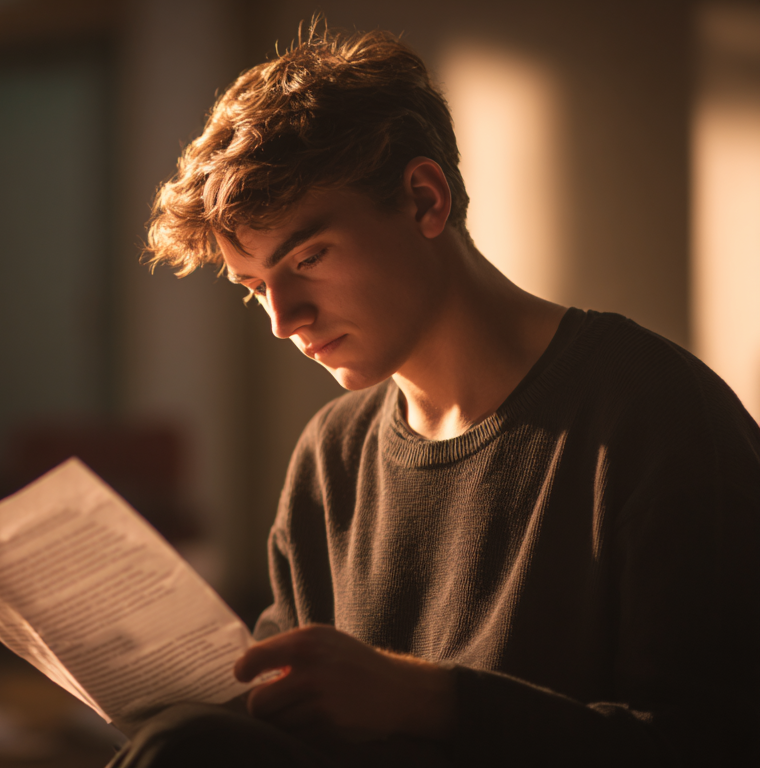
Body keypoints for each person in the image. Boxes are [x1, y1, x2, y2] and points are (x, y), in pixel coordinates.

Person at [115, 22, 760, 768]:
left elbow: (716, 745)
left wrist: (430, 701)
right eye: (255, 286)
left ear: (425, 199)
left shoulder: (657, 415)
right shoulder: (332, 455)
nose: (283, 320)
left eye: (309, 257)